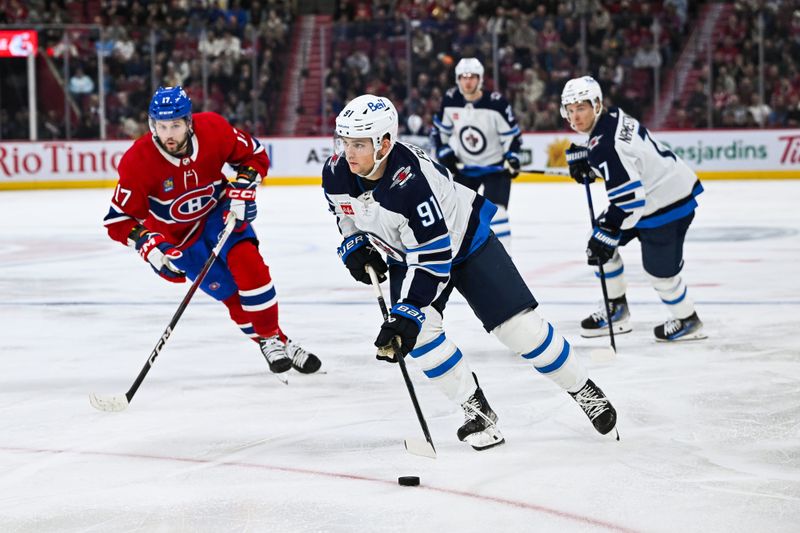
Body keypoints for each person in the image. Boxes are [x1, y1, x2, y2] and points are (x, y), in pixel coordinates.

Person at [322, 94, 618, 451]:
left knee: (520, 331)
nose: (348, 152)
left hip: (466, 245)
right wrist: (354, 243)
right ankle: (475, 408)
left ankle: (584, 389)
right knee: (420, 338)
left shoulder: (411, 183)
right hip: (409, 255)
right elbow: (344, 212)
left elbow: (434, 254)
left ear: (384, 143)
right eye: (344, 142)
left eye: (358, 144)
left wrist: (407, 309)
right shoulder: (336, 172)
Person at [103, 86, 321, 375]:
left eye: (176, 126)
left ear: (189, 122)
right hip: (176, 239)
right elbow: (118, 221)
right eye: (161, 126)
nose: (168, 134)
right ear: (151, 124)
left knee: (250, 267)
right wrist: (150, 249)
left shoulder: (214, 129)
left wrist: (243, 186)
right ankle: (279, 341)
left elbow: (254, 155)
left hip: (220, 214)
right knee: (231, 295)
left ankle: (269, 338)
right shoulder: (137, 161)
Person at [561, 76, 706, 342]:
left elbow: (630, 201)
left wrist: (608, 230)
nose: (575, 117)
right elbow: (628, 160)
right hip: (657, 194)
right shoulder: (613, 115)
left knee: (660, 274)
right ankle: (616, 311)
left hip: (667, 205)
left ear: (596, 105)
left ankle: (688, 320)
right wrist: (589, 161)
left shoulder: (605, 146)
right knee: (600, 246)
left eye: (580, 108)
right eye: (570, 110)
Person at [432, 57, 522, 252]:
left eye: (472, 77)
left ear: (480, 79)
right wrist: (445, 153)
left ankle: (503, 258)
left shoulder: (496, 103)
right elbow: (439, 133)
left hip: (495, 168)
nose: (468, 81)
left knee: (497, 214)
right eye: (463, 77)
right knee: (459, 216)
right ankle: (463, 258)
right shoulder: (450, 100)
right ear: (457, 79)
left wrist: (512, 157)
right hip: (466, 168)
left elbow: (513, 137)